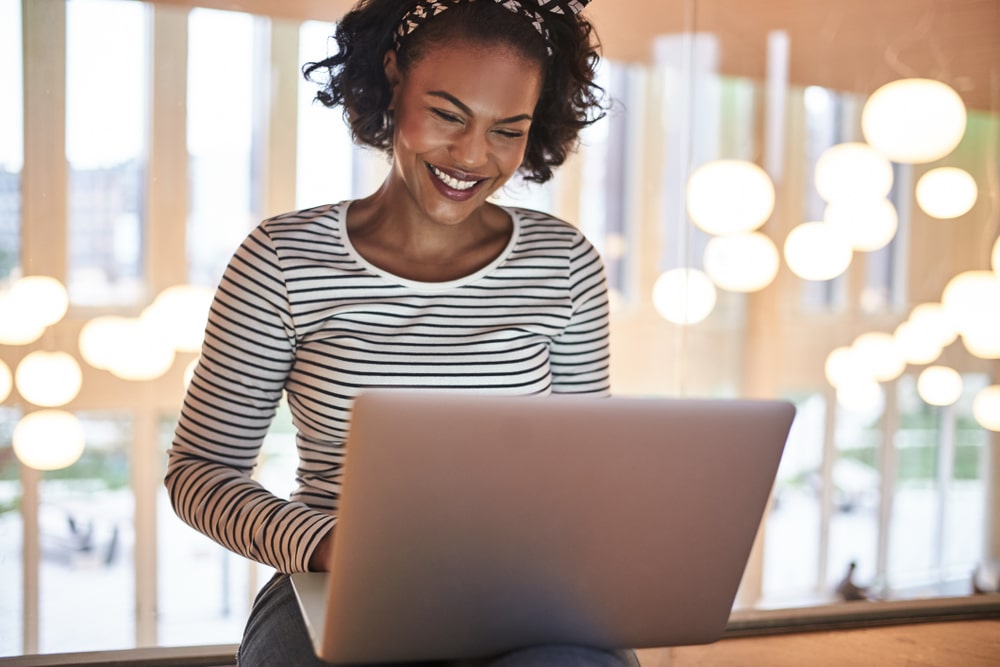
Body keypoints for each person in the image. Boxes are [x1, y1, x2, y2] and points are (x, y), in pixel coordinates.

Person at [165, 0, 637, 664]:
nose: (474, 156)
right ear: (393, 77)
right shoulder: (283, 258)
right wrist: (329, 544)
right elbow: (201, 472)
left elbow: (584, 467)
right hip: (335, 579)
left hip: (520, 588)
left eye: (508, 129)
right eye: (448, 115)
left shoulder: (562, 262)